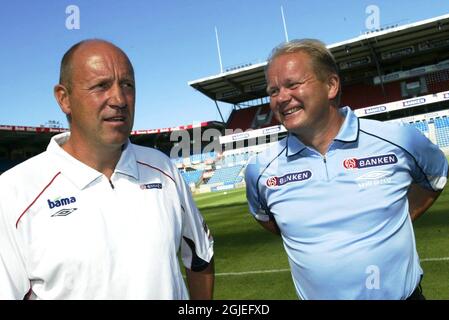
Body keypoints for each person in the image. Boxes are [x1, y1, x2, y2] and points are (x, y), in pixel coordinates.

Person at [0, 39, 214, 300]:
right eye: (101, 86)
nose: (119, 99)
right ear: (64, 98)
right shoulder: (13, 193)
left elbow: (201, 259)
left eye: (127, 85)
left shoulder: (163, 169)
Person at [245, 39, 448, 300]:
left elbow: (435, 176)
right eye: (272, 91)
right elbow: (266, 218)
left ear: (331, 85)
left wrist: (394, 219)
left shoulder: (399, 139)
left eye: (293, 84)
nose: (281, 98)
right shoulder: (260, 169)